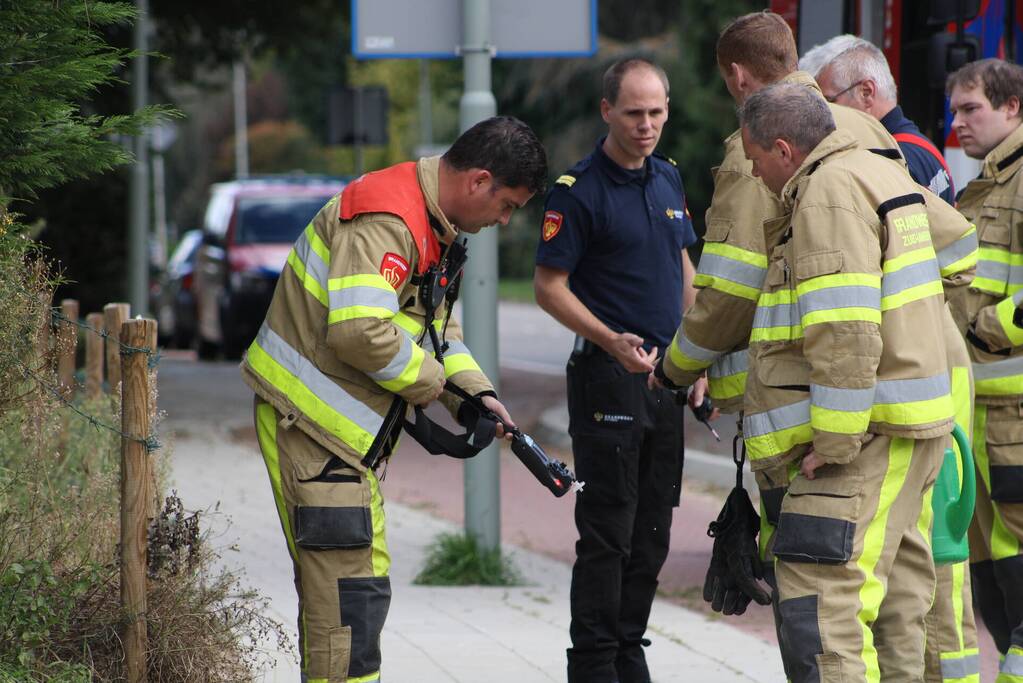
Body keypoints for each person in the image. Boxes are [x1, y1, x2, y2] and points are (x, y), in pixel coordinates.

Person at [239, 116, 547, 683]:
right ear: (479, 181)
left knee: (359, 591)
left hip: (338, 440)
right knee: (346, 602)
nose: (504, 220)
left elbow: (433, 335)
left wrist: (475, 398)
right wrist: (433, 388)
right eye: (506, 205)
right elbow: (359, 331)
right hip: (310, 427)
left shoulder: (432, 225)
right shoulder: (389, 216)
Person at [655, 13, 905, 673]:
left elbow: (732, 291)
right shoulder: (859, 126)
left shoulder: (759, 143)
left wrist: (674, 368)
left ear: (737, 76)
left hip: (812, 418)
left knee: (816, 604)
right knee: (898, 597)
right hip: (908, 403)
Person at [739, 81, 956, 681]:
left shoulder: (828, 194)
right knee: (897, 606)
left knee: (820, 600)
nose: (755, 175)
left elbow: (845, 331)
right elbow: (959, 248)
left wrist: (832, 445)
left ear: (783, 149)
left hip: (863, 438)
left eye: (755, 160)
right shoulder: (882, 171)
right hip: (910, 426)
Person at [803, 35, 980, 683]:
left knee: (911, 568)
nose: (821, 121)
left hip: (912, 389)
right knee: (931, 560)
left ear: (866, 95)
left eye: (827, 102)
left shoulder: (886, 157)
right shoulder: (906, 155)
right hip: (934, 377)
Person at [533, 57, 697, 683]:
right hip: (608, 378)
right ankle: (596, 664)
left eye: (658, 111)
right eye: (635, 113)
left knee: (653, 531)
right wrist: (609, 339)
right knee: (610, 534)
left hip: (666, 382)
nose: (648, 124)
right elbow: (549, 287)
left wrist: (696, 357)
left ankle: (630, 651)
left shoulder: (668, 180)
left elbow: (685, 270)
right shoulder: (578, 192)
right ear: (607, 111)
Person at [947, 58, 1023, 681]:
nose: (958, 122)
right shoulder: (984, 183)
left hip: (1015, 410)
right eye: (956, 109)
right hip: (977, 407)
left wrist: (984, 330)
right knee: (988, 556)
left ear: (1012, 107)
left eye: (970, 108)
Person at [801, 34, 956, 205]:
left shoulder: (889, 160)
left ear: (866, 93)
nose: (823, 114)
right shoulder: (919, 147)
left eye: (828, 102)